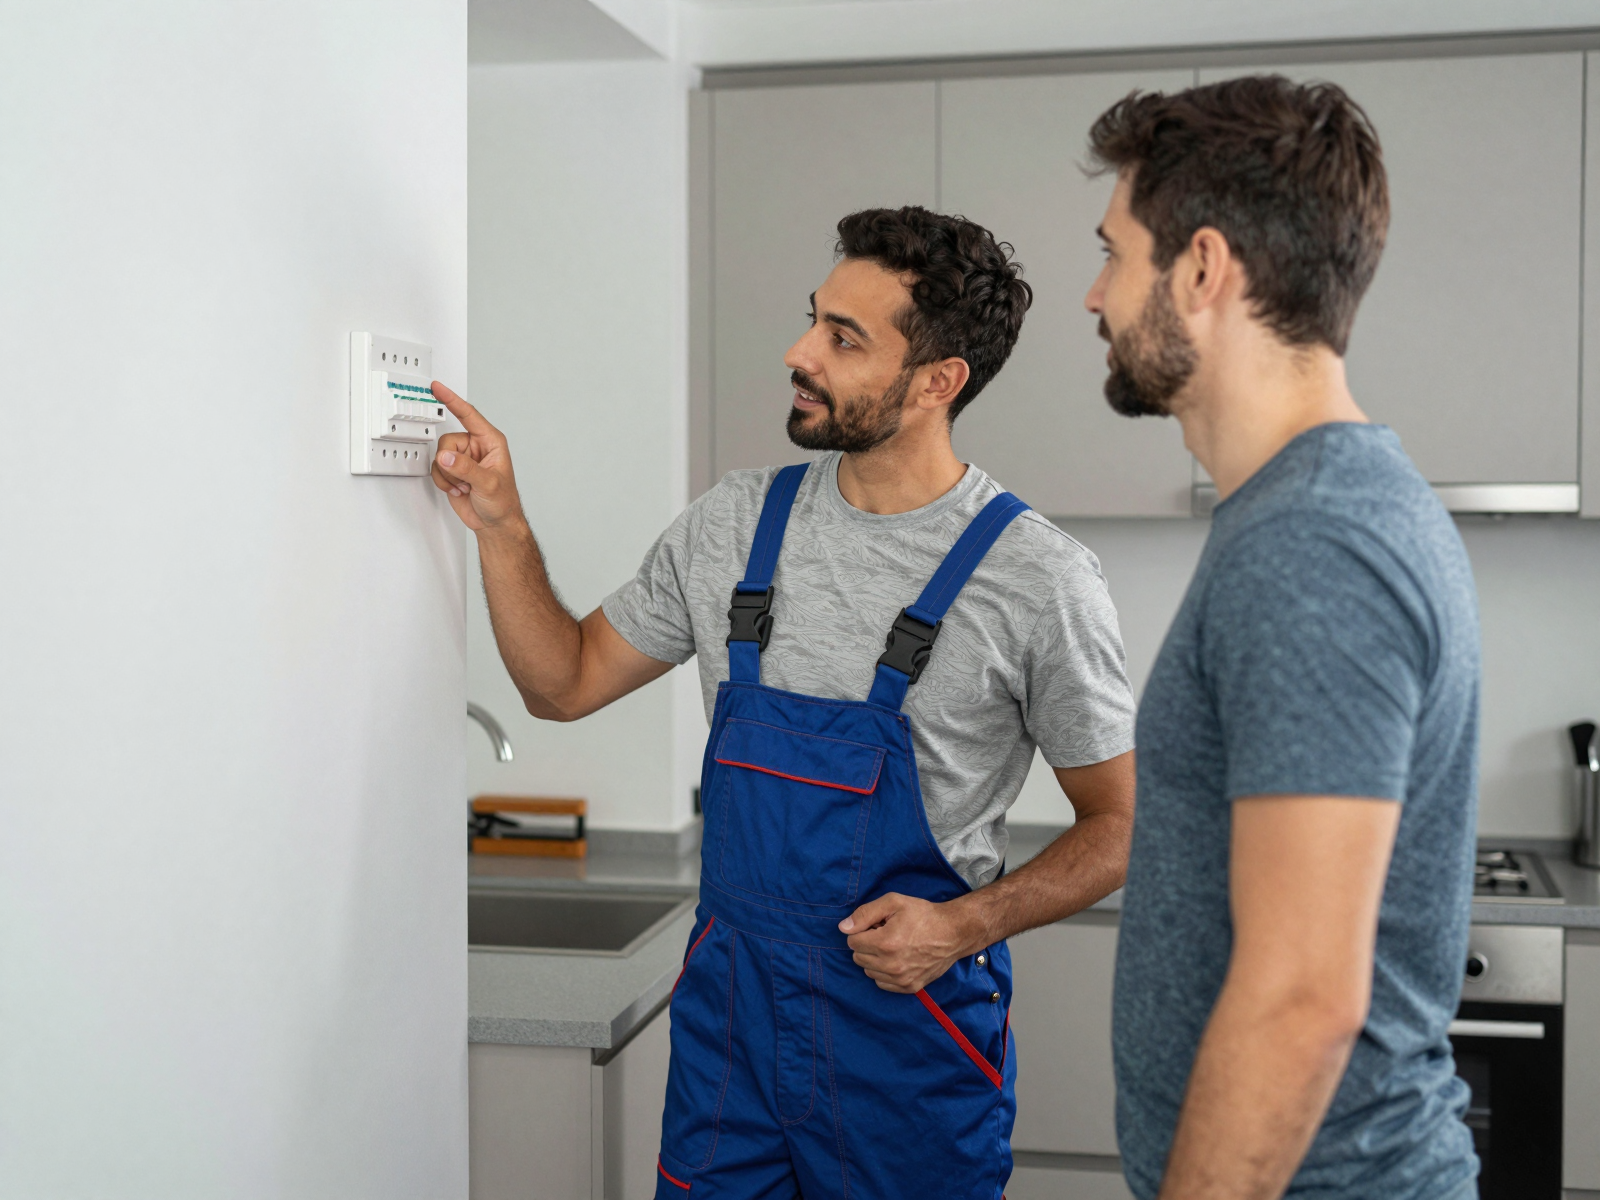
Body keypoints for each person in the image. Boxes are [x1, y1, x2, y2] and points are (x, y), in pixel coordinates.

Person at [431, 205, 1137, 1199]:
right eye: (815, 318)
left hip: (908, 1045)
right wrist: (501, 524)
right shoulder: (732, 524)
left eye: (843, 339)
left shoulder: (1037, 579)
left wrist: (966, 924)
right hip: (733, 1033)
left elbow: (1122, 823)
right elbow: (562, 684)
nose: (798, 351)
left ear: (938, 382)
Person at [1084, 77, 1480, 1198]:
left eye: (1115, 253)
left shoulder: (1312, 542)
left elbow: (1304, 997)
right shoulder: (1304, 509)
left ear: (1202, 269)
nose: (1094, 295)